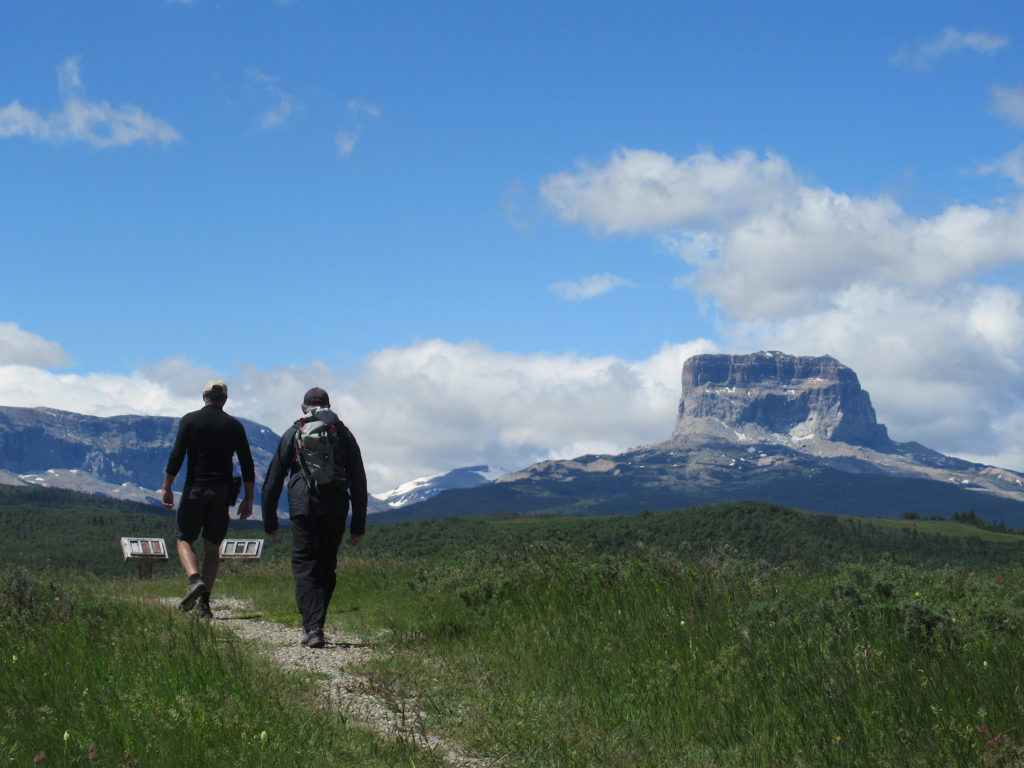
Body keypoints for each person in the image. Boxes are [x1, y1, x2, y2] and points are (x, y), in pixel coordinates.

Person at [261, 387, 368, 648]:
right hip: (335, 508)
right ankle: (317, 623)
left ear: (303, 407)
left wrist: (270, 522)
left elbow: (273, 479)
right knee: (326, 566)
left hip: (303, 507)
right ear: (330, 405)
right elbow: (359, 480)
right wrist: (358, 525)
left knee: (305, 566)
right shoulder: (342, 433)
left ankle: (313, 626)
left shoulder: (294, 432)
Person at [162, 380, 255, 619]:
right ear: (224, 400)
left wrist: (167, 487)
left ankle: (194, 579)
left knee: (183, 539)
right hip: (222, 493)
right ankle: (204, 605)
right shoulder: (234, 426)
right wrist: (248, 499)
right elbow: (247, 464)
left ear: (204, 397)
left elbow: (177, 456)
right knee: (213, 547)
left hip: (196, 488)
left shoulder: (190, 420)